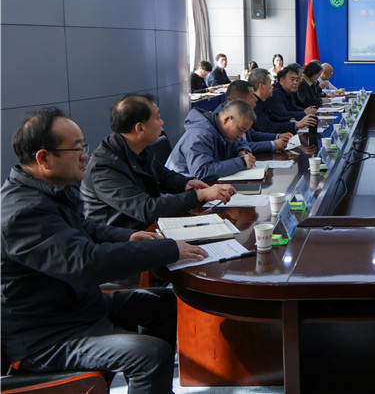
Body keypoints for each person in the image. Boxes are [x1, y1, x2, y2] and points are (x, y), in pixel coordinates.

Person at [1, 108, 208, 392]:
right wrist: (167, 249)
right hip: (46, 336)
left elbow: (86, 227)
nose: (85, 156)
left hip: (74, 306)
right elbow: (87, 264)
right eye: (77, 149)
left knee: (160, 301)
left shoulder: (51, 188)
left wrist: (129, 236)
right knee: (150, 355)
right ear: (44, 158)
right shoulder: (22, 213)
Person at [81, 94, 235, 231]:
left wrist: (186, 183)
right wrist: (198, 195)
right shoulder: (104, 168)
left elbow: (163, 175)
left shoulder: (138, 148)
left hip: (147, 228)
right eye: (157, 118)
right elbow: (145, 208)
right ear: (140, 128)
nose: (162, 122)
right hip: (121, 238)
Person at [166, 100, 257, 181]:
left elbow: (241, 143)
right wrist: (241, 162)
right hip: (181, 189)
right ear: (227, 120)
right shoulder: (199, 135)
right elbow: (201, 172)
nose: (241, 136)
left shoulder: (225, 132)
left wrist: (242, 151)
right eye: (240, 129)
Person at [222, 80, 291, 153]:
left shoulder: (240, 113)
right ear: (240, 101)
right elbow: (238, 147)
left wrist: (277, 136)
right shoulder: (226, 118)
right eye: (252, 97)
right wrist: (272, 144)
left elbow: (253, 135)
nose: (256, 99)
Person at [248, 69, 317, 134]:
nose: (272, 86)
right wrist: (297, 124)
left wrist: (292, 121)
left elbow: (275, 118)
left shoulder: (262, 101)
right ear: (261, 86)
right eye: (270, 83)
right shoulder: (254, 104)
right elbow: (268, 126)